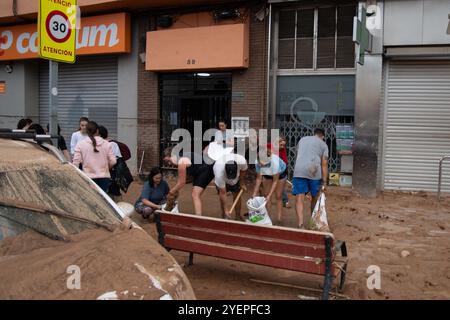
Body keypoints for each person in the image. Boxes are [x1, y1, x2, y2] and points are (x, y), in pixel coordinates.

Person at [292, 128, 329, 229]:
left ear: (314, 134)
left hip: (299, 170)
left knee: (300, 197)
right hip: (314, 171)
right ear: (323, 136)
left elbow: (298, 155)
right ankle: (313, 222)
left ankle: (300, 224)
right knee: (315, 197)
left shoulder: (302, 139)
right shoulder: (323, 144)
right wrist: (324, 182)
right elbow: (324, 164)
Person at [163, 146, 214, 215]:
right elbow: (187, 179)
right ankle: (199, 217)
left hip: (205, 169)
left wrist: (171, 192)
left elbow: (181, 183)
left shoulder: (181, 161)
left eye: (168, 161)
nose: (169, 164)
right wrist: (175, 190)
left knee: (195, 195)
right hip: (205, 169)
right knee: (195, 194)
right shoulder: (183, 156)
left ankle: (199, 218)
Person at [72, 121, 116, 192]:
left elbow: (75, 163)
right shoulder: (107, 144)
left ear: (86, 131)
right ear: (97, 131)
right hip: (104, 176)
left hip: (88, 177)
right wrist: (107, 167)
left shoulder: (80, 145)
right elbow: (113, 161)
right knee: (103, 200)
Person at [252, 146, 287, 224]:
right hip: (267, 175)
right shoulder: (257, 162)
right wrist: (254, 192)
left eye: (264, 164)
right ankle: (268, 218)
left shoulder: (275, 163)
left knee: (278, 196)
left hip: (280, 175)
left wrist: (270, 194)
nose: (261, 165)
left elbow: (275, 181)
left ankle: (279, 219)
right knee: (266, 196)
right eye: (260, 163)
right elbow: (258, 179)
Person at [213, 153, 248, 220]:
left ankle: (237, 216)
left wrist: (241, 182)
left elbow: (243, 170)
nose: (231, 179)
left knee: (237, 194)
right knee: (222, 196)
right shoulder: (218, 171)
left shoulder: (241, 161)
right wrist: (226, 210)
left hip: (237, 178)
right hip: (223, 180)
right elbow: (222, 193)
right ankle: (224, 215)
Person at [267, 137, 291, 208]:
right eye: (281, 145)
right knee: (265, 187)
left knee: (280, 187)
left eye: (283, 145)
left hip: (279, 169)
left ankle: (285, 201)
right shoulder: (268, 146)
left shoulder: (282, 150)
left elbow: (285, 162)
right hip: (268, 169)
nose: (282, 147)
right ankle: (264, 201)